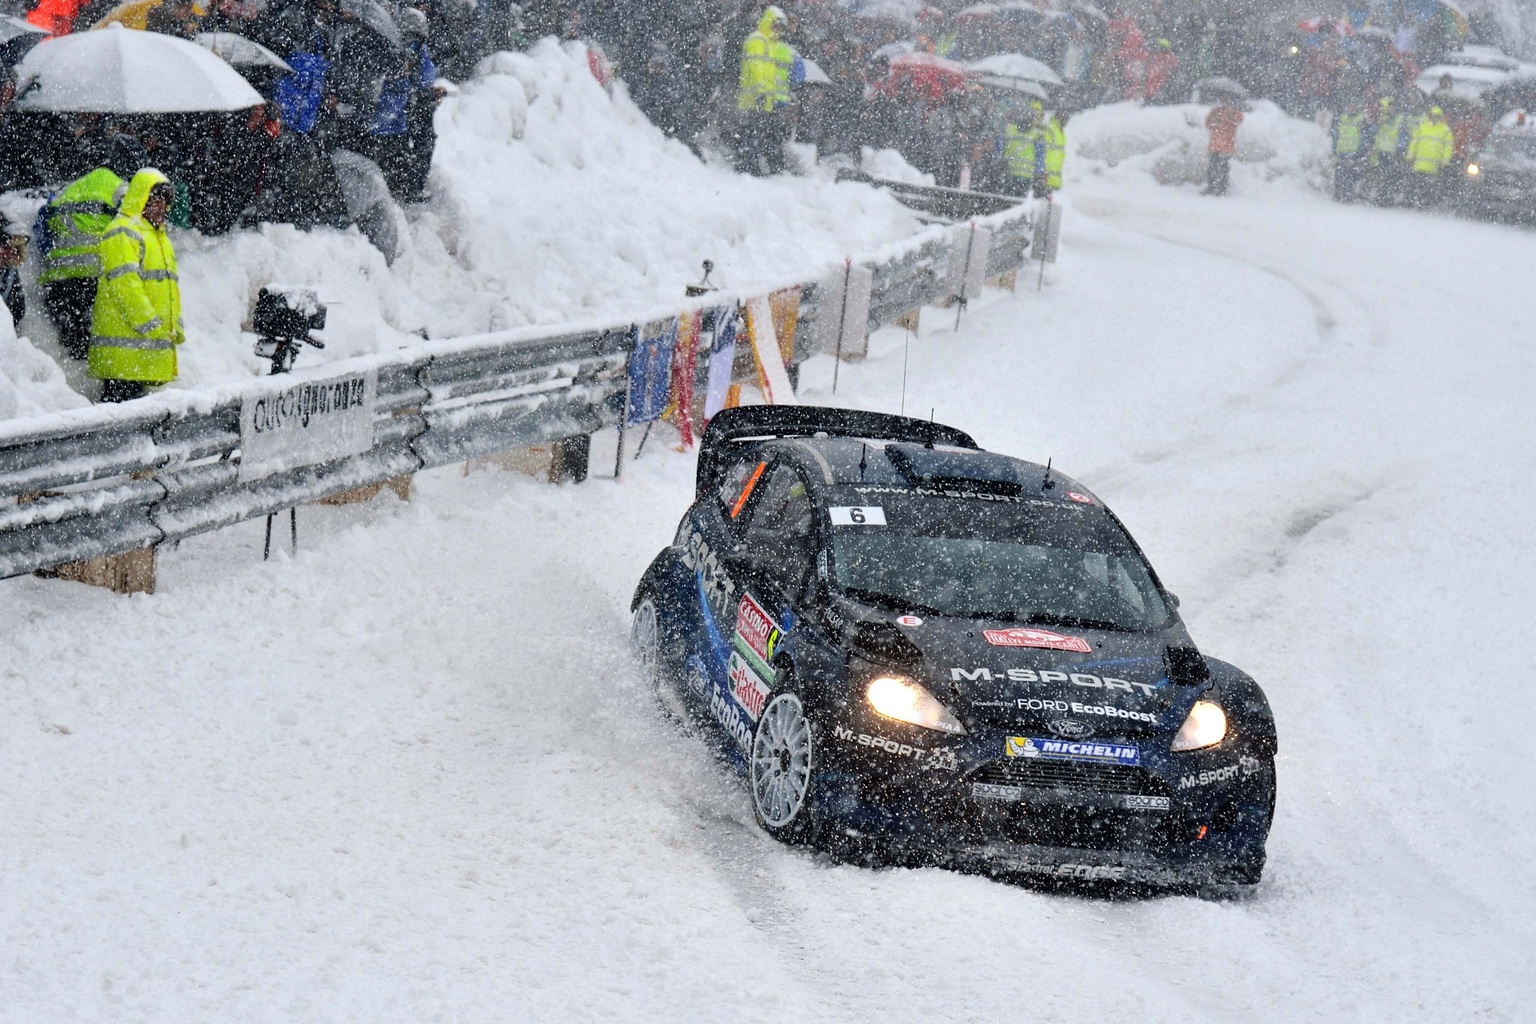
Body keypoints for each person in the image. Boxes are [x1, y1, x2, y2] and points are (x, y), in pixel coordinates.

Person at [89, 170, 184, 403]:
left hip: (141, 350)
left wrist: (174, 327)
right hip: (125, 350)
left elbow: (170, 291)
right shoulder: (123, 231)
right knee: (119, 416)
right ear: (140, 197)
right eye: (154, 198)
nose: (160, 206)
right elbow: (125, 285)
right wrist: (149, 324)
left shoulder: (159, 238)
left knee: (133, 418)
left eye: (164, 200)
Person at [39, 167, 127, 360]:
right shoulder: (120, 188)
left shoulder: (66, 190)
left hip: (58, 276)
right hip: (94, 273)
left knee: (70, 337)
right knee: (99, 337)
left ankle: (70, 377)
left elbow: (42, 229)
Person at [734, 5, 794, 176]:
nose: (778, 30)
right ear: (768, 22)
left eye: (781, 27)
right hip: (755, 98)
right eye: (776, 25)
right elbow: (755, 67)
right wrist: (760, 92)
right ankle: (747, 167)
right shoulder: (757, 40)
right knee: (752, 134)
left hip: (764, 99)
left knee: (758, 134)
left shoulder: (769, 43)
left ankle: (751, 166)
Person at [1405, 105, 1455, 208]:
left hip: (1434, 165)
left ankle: (1424, 203)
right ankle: (1415, 201)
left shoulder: (1445, 130)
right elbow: (1414, 142)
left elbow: (1448, 148)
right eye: (1433, 116)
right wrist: (1410, 155)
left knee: (1428, 186)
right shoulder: (1422, 127)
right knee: (1417, 184)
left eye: (1437, 116)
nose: (1434, 118)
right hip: (1419, 163)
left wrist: (1445, 161)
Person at [1003, 98, 1046, 198]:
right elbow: (1040, 156)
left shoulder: (1009, 129)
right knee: (1019, 204)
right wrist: (1039, 173)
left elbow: (1001, 149)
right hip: (1025, 176)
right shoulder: (1037, 134)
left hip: (1009, 173)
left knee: (1007, 202)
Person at [1370, 95, 1407, 205]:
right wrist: (1377, 124)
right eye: (1389, 107)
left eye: (1393, 107)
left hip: (1392, 152)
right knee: (1381, 176)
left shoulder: (1400, 119)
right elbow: (1373, 132)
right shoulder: (1382, 119)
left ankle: (1388, 197)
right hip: (1381, 151)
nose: (1391, 109)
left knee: (1390, 176)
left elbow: (1403, 136)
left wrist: (1400, 149)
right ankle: (1381, 196)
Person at [1203, 96, 1243, 196]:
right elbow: (1208, 124)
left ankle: (1221, 188)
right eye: (1223, 100)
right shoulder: (1215, 112)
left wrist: (1230, 114)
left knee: (1223, 168)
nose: (1224, 102)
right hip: (1215, 145)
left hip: (1226, 146)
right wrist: (1215, 121)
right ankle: (1211, 187)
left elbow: (1238, 120)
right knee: (1212, 167)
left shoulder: (1234, 112)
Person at [1332, 102, 1369, 202]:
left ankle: (1348, 194)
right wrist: (1335, 147)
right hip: (1342, 151)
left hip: (1354, 152)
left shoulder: (1360, 119)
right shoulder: (1342, 117)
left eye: (1353, 106)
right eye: (1349, 106)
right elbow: (1336, 133)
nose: (1351, 108)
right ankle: (1338, 193)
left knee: (1350, 175)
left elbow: (1364, 135)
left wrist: (1361, 149)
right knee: (1339, 174)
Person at [0, 217, 26, 329]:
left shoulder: (9, 272)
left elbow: (18, 308)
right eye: (6, 247)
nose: (9, 253)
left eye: (15, 248)